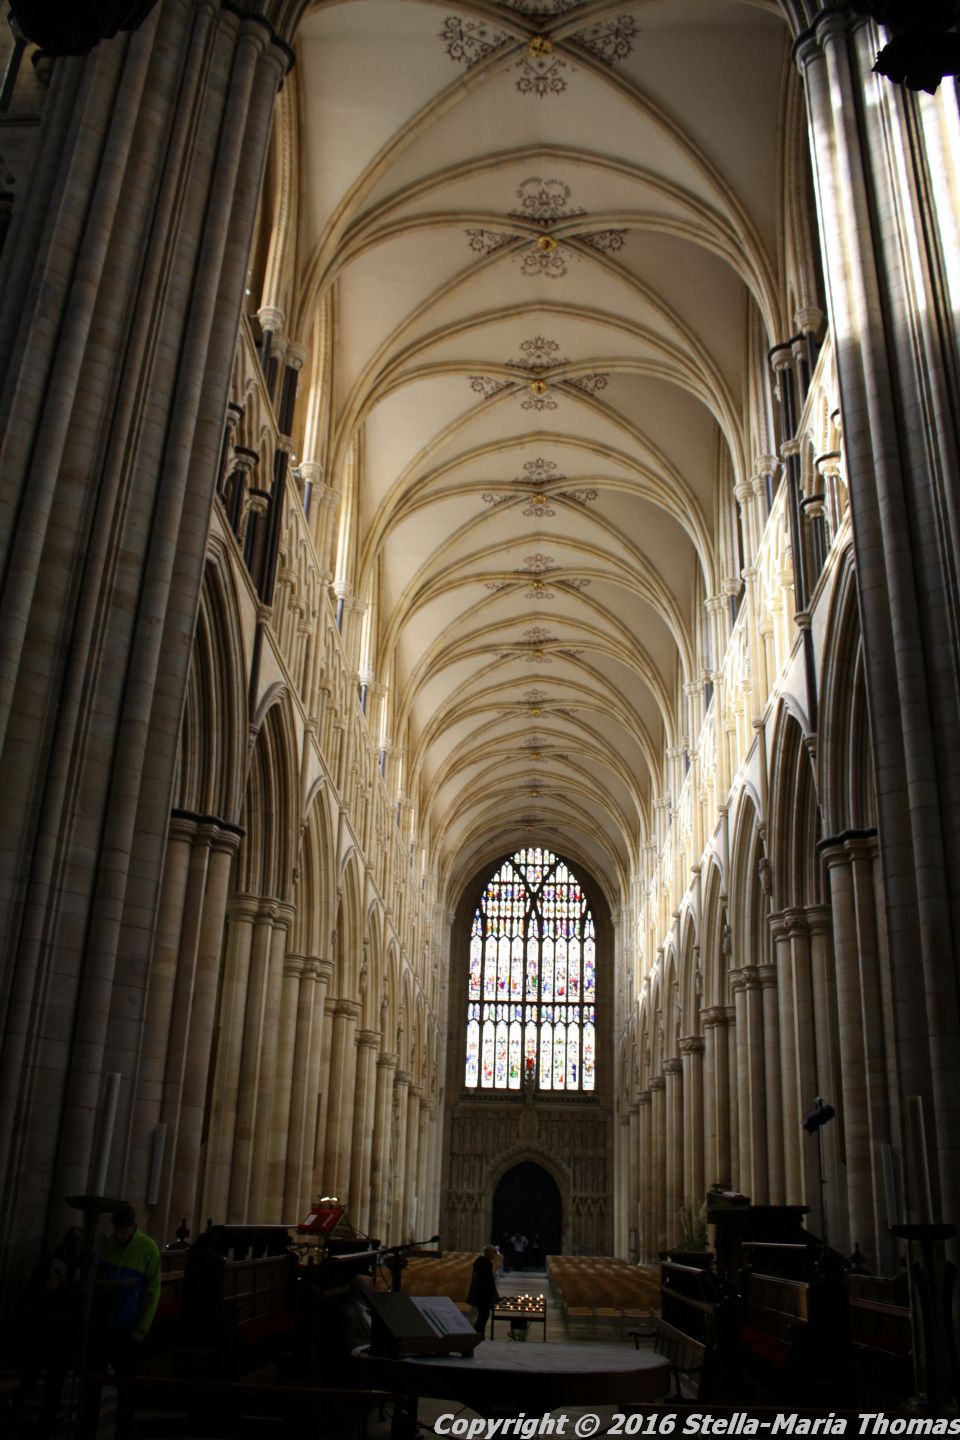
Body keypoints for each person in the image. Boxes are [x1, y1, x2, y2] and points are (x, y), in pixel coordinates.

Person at [82, 1204, 161, 1437]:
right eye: (116, 1230)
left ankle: (123, 1433)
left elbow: (153, 1290)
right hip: (101, 1324)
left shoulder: (147, 1248)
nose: (118, 1235)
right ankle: (86, 1431)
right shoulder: (107, 1246)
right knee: (91, 1383)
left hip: (128, 1327)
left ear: (132, 1226)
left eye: (123, 1231)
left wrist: (142, 1327)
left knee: (126, 1388)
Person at [466, 1245, 499, 1337]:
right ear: (488, 1253)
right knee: (483, 1316)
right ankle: (477, 1334)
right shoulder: (484, 1264)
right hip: (482, 1295)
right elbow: (488, 1282)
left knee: (483, 1315)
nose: (495, 1254)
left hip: (479, 1294)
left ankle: (479, 1334)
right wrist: (493, 1294)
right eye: (493, 1252)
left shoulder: (481, 1262)